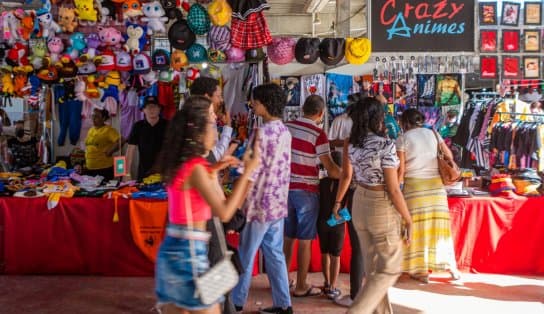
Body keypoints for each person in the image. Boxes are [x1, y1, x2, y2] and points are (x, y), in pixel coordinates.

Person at [154, 95, 260, 314]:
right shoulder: (197, 169)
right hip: (189, 254)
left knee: (182, 309)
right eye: (213, 124)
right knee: (209, 305)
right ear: (199, 132)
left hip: (177, 250)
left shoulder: (187, 164)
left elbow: (195, 191)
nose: (217, 130)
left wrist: (217, 169)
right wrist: (248, 173)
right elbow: (224, 213)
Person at [333, 96, 412, 314]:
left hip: (359, 201)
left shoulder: (351, 142)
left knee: (373, 268)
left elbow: (346, 175)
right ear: (378, 118)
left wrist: (338, 202)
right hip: (380, 206)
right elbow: (394, 189)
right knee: (389, 270)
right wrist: (408, 218)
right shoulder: (386, 145)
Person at [231, 83, 293, 314]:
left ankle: (236, 303)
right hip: (278, 203)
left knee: (245, 256)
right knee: (275, 254)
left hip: (258, 204)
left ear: (265, 104)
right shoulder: (284, 131)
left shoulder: (260, 133)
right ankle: (284, 304)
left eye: (255, 101)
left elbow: (249, 171)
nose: (253, 105)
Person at [282, 95, 341, 299]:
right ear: (320, 113)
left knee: (287, 238)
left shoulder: (286, 126)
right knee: (305, 240)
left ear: (302, 109)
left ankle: (283, 281)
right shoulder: (318, 133)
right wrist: (347, 175)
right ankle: (301, 285)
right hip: (307, 191)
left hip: (285, 188)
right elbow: (330, 168)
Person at [396, 109, 460, 284]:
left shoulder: (403, 138)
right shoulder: (433, 133)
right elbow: (449, 156)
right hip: (437, 190)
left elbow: (401, 170)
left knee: (415, 230)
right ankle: (450, 267)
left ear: (404, 122)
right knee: (439, 230)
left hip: (415, 190)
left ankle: (420, 271)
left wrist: (396, 189)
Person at [327, 94, 364, 307]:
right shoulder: (383, 139)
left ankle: (357, 294)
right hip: (373, 194)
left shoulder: (358, 136)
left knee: (358, 245)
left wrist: (337, 203)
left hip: (354, 190)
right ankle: (369, 295)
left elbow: (347, 176)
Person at [190, 77, 233, 162]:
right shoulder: (203, 122)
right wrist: (228, 126)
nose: (221, 100)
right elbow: (215, 156)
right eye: (219, 96)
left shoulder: (191, 117)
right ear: (206, 97)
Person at [125, 96, 168, 181]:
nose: (151, 110)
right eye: (148, 107)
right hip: (144, 172)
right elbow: (130, 151)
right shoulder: (138, 126)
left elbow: (174, 149)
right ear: (143, 110)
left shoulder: (168, 125)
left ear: (159, 109)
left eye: (154, 107)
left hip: (164, 172)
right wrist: (126, 173)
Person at [84, 108, 120, 181]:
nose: (94, 118)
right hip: (90, 168)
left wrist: (110, 151)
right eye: (93, 116)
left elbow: (121, 140)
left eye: (97, 116)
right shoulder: (91, 129)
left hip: (104, 169)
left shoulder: (109, 130)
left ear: (103, 118)